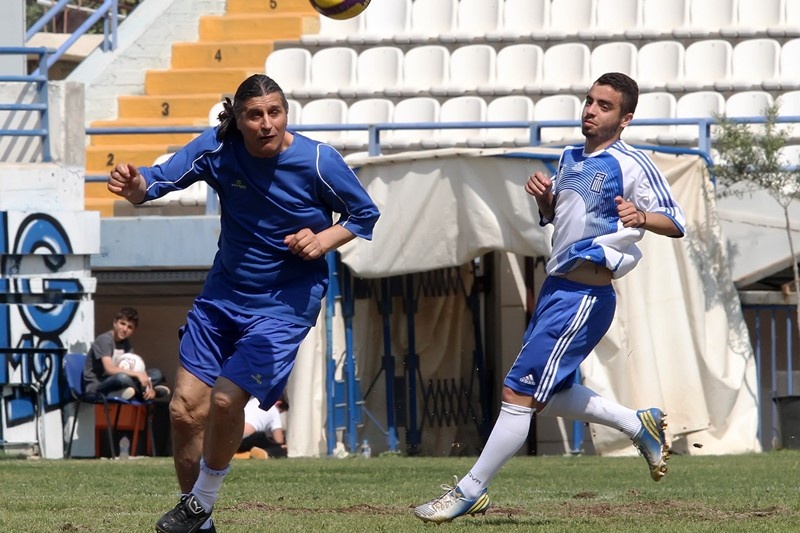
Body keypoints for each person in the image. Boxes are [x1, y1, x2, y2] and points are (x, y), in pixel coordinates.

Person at [107, 74, 379, 533]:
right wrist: (134, 184)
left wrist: (323, 239)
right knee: (183, 409)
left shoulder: (318, 161)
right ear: (238, 118)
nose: (267, 123)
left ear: (286, 113)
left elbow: (364, 213)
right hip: (222, 298)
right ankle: (200, 523)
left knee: (226, 399)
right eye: (255, 115)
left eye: (275, 112)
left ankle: (200, 501)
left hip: (283, 306)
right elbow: (155, 182)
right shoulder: (218, 147)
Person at [413, 72, 687, 524]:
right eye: (589, 100)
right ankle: (637, 424)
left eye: (604, 105)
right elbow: (562, 220)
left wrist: (641, 215)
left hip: (585, 295)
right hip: (557, 289)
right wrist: (545, 202)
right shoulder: (569, 156)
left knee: (517, 391)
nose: (590, 110)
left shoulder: (633, 162)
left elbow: (675, 222)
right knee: (548, 393)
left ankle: (470, 490)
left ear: (625, 119)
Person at [83, 306, 170, 402]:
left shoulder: (125, 342)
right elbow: (109, 369)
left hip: (118, 382)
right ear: (115, 322)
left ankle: (141, 392)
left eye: (130, 327)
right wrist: (138, 375)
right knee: (122, 377)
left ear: (133, 331)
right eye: (122, 324)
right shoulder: (105, 340)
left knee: (156, 373)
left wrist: (148, 385)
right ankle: (145, 394)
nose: (125, 329)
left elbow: (137, 365)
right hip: (98, 385)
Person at [233, 395, 289, 460]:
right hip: (245, 440)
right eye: (280, 411)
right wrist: (282, 445)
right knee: (280, 449)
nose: (279, 413)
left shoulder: (254, 400)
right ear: (278, 403)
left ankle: (240, 454)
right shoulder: (273, 409)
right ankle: (265, 453)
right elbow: (279, 440)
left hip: (232, 439)